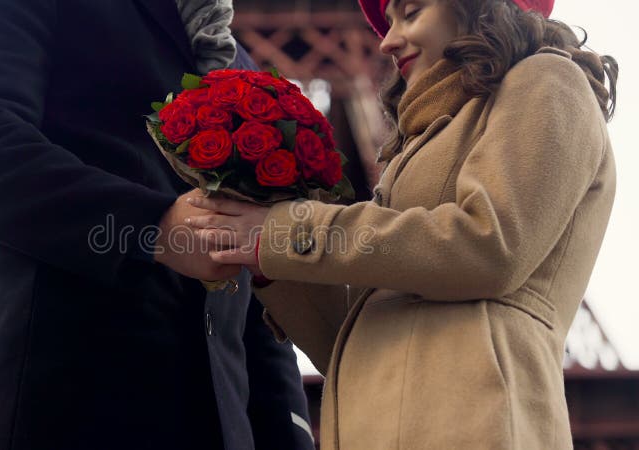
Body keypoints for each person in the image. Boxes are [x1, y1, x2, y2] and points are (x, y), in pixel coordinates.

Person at [185, 0, 618, 448]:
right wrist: (265, 255)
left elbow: (490, 247)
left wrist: (288, 230)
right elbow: (350, 345)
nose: (387, 40)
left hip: (473, 426)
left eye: (410, 12)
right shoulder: (413, 150)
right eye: (387, 21)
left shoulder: (547, 78)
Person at [0, 1, 316, 449]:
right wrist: (153, 227)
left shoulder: (239, 63)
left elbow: (254, 274)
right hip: (69, 412)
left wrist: (290, 432)